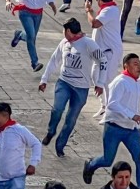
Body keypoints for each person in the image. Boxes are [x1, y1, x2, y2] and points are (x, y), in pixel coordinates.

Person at [40, 18, 105, 157]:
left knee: (71, 119)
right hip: (64, 83)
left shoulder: (88, 44)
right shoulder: (64, 42)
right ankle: (51, 131)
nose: (63, 33)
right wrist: (44, 79)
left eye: (64, 30)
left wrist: (100, 83)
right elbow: (54, 60)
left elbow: (103, 61)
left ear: (68, 31)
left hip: (81, 88)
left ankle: (60, 145)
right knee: (57, 109)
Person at [83, 54, 140, 189]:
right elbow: (112, 104)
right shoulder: (120, 82)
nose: (139, 67)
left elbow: (136, 106)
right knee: (108, 160)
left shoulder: (139, 83)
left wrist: (138, 125)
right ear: (126, 66)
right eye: (135, 64)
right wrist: (132, 115)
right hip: (114, 127)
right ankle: (91, 164)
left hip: (131, 130)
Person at [5, 0, 57, 72]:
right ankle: (35, 63)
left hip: (38, 13)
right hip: (25, 11)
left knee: (31, 36)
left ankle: (19, 35)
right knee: (32, 37)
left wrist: (52, 4)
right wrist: (7, 0)